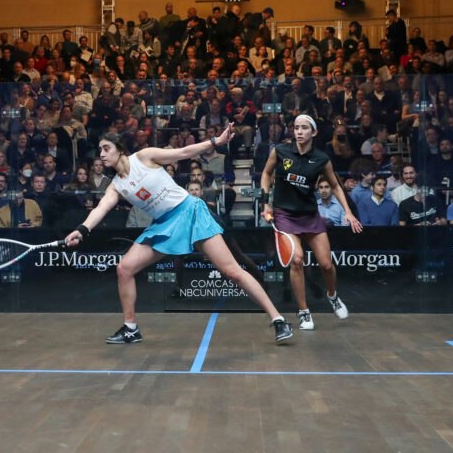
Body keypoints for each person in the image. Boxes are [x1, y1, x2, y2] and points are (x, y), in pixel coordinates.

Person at [63, 125, 294, 345]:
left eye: (106, 149)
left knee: (232, 271)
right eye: (100, 150)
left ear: (119, 149)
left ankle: (278, 320)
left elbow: (183, 152)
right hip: (163, 224)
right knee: (124, 268)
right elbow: (101, 208)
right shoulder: (116, 186)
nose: (102, 155)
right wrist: (82, 230)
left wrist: (216, 141)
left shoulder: (144, 156)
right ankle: (130, 329)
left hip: (190, 212)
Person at [259, 114, 363, 331]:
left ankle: (332, 296)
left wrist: (348, 212)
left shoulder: (322, 159)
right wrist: (265, 203)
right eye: (296, 127)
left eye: (304, 128)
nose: (299, 131)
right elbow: (266, 174)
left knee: (326, 264)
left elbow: (335, 186)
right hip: (284, 215)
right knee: (296, 260)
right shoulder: (280, 151)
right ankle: (304, 311)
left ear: (313, 132)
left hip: (310, 216)